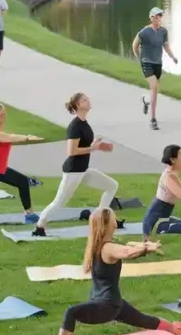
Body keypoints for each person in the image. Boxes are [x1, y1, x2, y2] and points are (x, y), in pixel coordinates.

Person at [39, 207, 181, 335]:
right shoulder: (106, 247)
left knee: (71, 312)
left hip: (107, 305)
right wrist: (145, 248)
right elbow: (127, 251)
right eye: (114, 216)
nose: (117, 218)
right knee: (144, 320)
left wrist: (144, 247)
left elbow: (128, 248)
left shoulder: (100, 246)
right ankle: (176, 332)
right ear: (108, 223)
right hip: (110, 304)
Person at [32, 93, 118, 237]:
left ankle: (100, 220)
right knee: (59, 202)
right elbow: (72, 151)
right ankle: (40, 226)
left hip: (83, 170)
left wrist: (100, 146)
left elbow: (85, 145)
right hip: (73, 171)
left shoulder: (84, 124)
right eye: (85, 100)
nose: (88, 101)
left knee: (112, 186)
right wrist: (93, 148)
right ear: (78, 105)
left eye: (88, 99)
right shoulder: (75, 126)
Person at [131, 7, 177, 130]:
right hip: (146, 63)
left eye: (160, 16)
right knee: (154, 86)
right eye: (156, 16)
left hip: (158, 63)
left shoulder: (163, 32)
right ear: (151, 18)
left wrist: (173, 57)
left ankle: (146, 100)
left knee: (154, 90)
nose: (158, 18)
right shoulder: (145, 32)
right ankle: (153, 119)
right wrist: (139, 57)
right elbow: (135, 45)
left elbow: (166, 46)